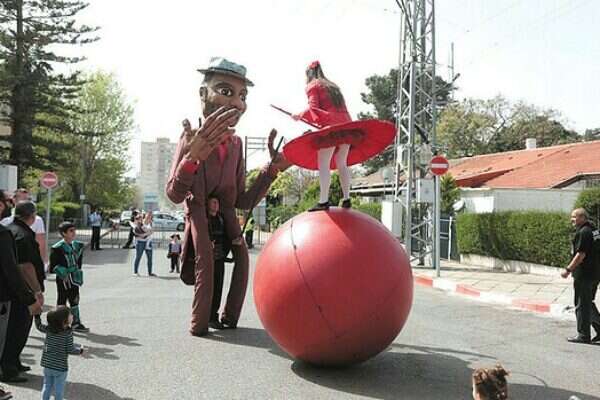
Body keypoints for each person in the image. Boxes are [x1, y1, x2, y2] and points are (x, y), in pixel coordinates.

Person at [166, 57, 290, 336]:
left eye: (242, 96)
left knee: (241, 257)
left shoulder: (235, 144)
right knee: (206, 261)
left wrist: (271, 170)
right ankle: (200, 322)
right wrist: (192, 158)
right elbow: (174, 193)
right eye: (225, 92)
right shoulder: (190, 138)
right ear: (203, 94)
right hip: (199, 215)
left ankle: (228, 316)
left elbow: (242, 200)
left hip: (224, 220)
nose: (237, 104)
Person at [292, 60, 353, 212]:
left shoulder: (313, 85)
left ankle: (323, 201)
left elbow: (313, 108)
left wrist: (299, 115)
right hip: (347, 126)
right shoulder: (333, 86)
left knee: (324, 163)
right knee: (342, 162)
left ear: (309, 74)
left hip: (331, 126)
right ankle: (347, 199)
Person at [0, 192, 42, 385]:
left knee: (14, 331)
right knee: (15, 331)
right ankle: (8, 369)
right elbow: (22, 267)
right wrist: (34, 294)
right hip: (14, 293)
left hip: (12, 292)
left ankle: (13, 363)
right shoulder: (14, 234)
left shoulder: (10, 229)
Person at [561, 208, 600, 343]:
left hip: (584, 274)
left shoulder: (584, 232)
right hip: (595, 273)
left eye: (574, 217)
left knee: (582, 304)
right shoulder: (594, 230)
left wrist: (568, 269)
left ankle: (583, 335)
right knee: (588, 302)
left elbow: (581, 254)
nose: (572, 219)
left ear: (582, 217)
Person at [48, 221, 88, 332]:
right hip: (63, 278)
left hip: (74, 278)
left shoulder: (78, 246)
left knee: (75, 299)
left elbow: (79, 263)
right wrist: (63, 273)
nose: (74, 232)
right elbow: (53, 266)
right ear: (63, 233)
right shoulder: (57, 248)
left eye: (74, 230)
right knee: (62, 300)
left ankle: (76, 322)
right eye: (71, 231)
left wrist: (77, 272)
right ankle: (59, 324)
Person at [38, 306, 84, 400]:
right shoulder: (67, 333)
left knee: (47, 385)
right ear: (64, 321)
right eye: (70, 315)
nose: (72, 316)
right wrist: (80, 351)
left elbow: (39, 326)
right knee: (59, 388)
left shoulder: (48, 329)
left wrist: (36, 316)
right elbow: (70, 349)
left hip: (47, 364)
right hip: (60, 367)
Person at [1, 188, 48, 266]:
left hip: (29, 260)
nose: (26, 201)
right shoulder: (5, 220)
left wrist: (44, 263)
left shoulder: (37, 220)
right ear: (14, 200)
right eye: (23, 199)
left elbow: (41, 242)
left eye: (28, 199)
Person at [206, 196, 230, 329]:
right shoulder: (204, 219)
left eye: (217, 202)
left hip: (219, 258)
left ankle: (213, 317)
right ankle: (207, 317)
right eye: (213, 202)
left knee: (218, 288)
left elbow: (225, 237)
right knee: (208, 288)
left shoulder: (220, 219)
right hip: (207, 260)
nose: (216, 205)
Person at [132, 212, 156, 277]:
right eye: (148, 216)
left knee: (150, 258)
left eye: (150, 216)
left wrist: (144, 234)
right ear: (145, 216)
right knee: (138, 257)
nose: (149, 217)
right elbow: (135, 231)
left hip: (148, 241)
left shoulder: (152, 223)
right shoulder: (139, 222)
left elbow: (151, 232)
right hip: (140, 242)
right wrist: (143, 234)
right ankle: (135, 272)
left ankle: (150, 273)